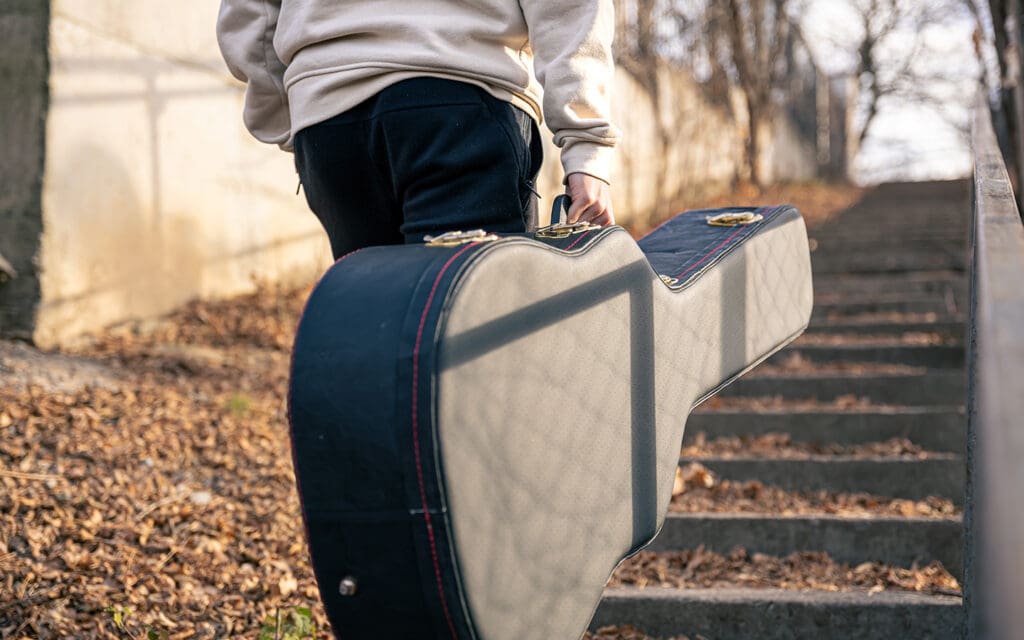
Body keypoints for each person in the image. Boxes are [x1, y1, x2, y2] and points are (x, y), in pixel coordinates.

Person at [216, 0, 621, 258]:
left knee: (378, 329)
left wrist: (296, 116)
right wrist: (586, 145)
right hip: (460, 98)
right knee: (472, 336)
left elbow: (249, 16)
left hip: (328, 124)